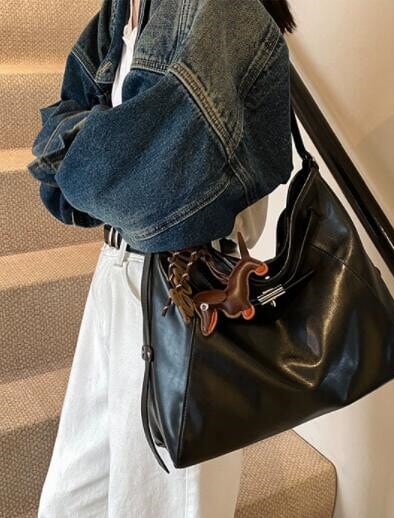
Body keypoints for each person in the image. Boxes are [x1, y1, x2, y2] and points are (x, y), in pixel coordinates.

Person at [29, 0, 297, 516]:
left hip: (190, 294)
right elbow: (64, 161)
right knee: (68, 501)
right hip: (116, 276)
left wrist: (86, 151)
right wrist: (98, 155)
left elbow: (152, 185)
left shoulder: (221, 11)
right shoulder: (120, 12)